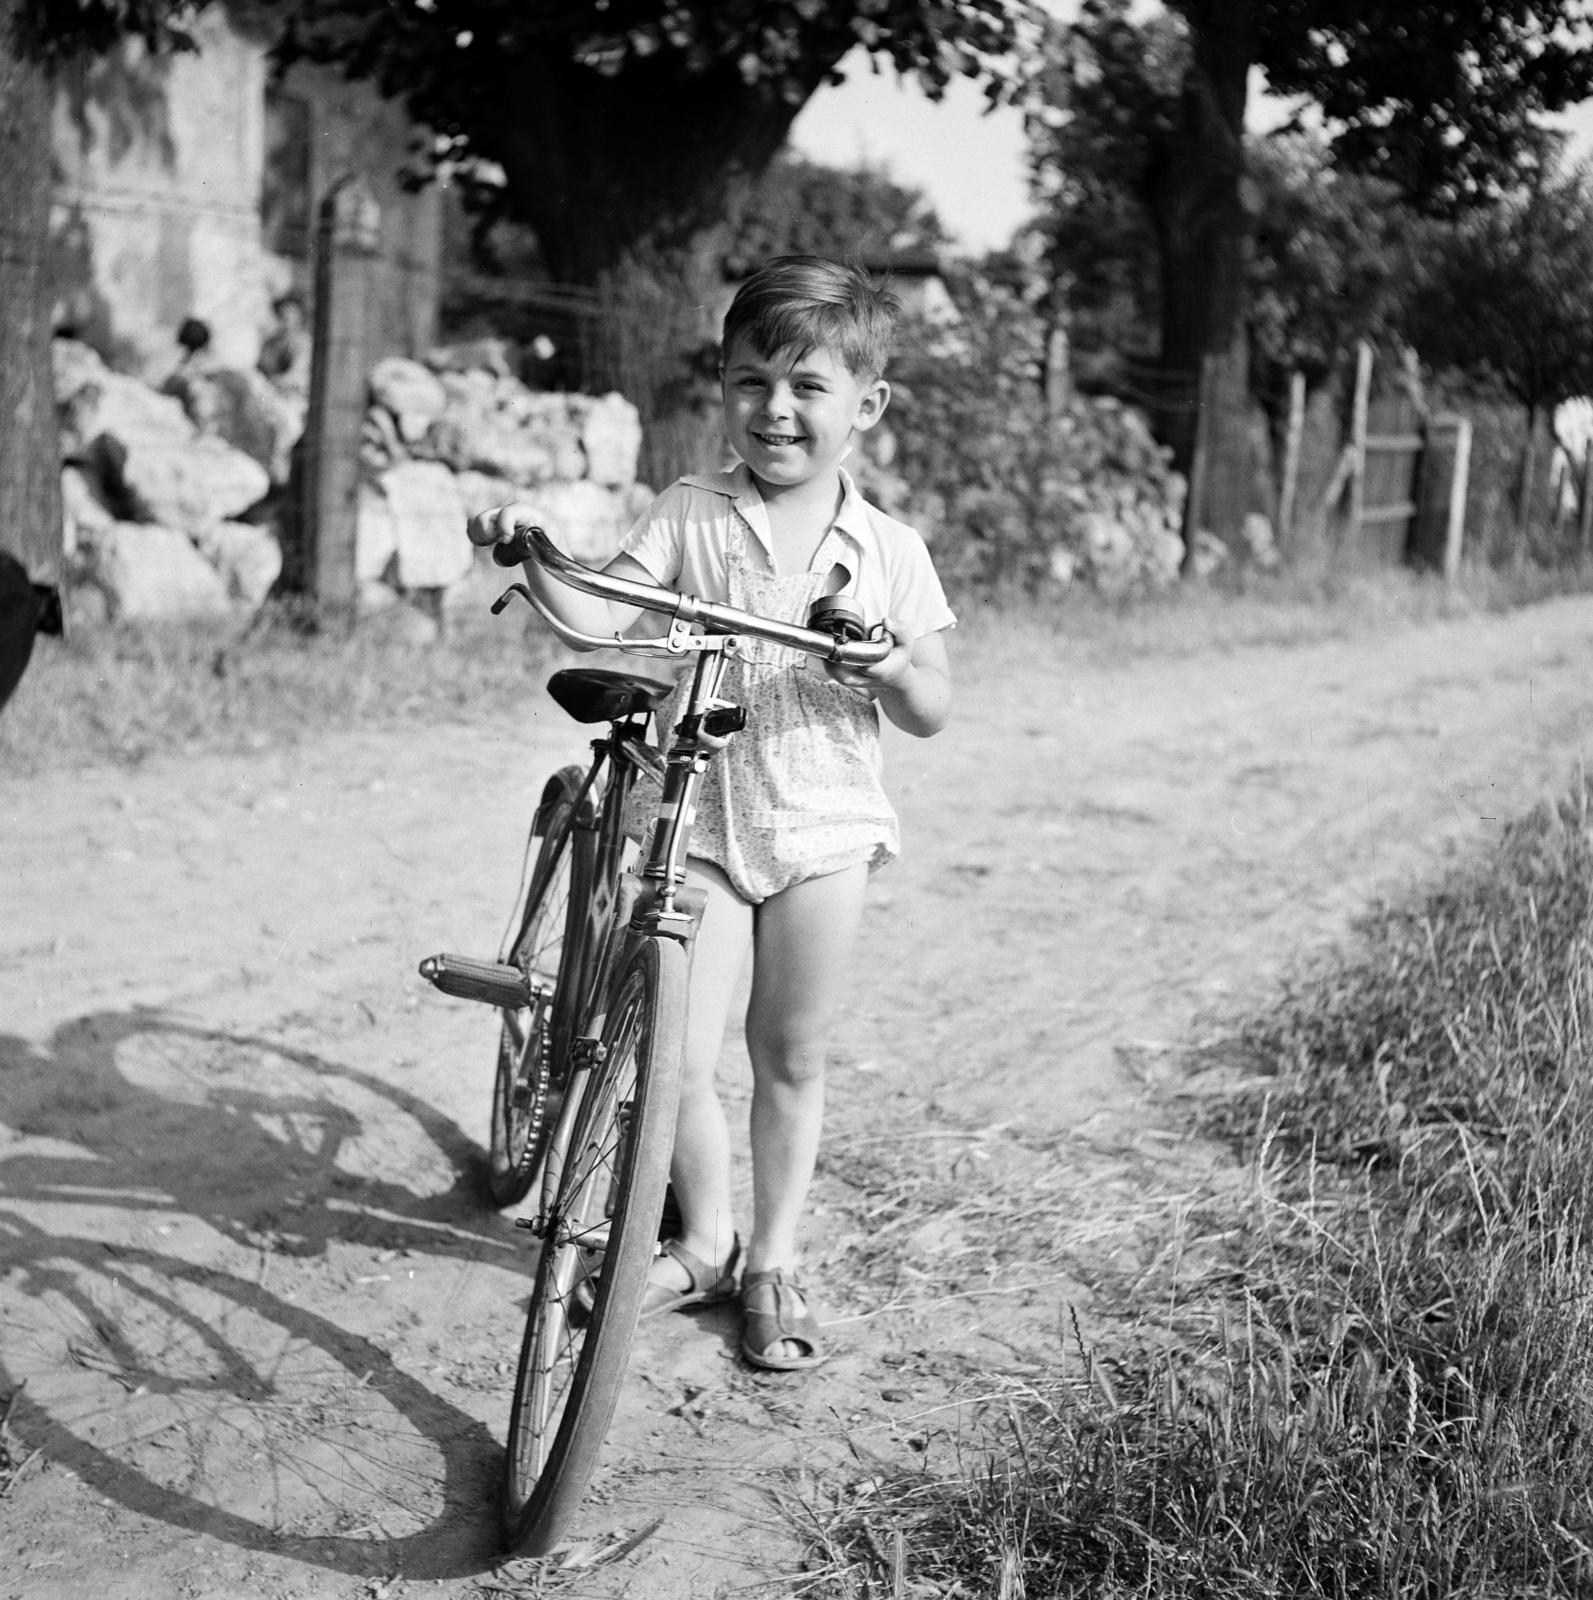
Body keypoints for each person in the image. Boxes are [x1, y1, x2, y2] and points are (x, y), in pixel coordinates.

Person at [469, 255, 954, 1371]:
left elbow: (931, 703)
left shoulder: (888, 552)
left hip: (822, 824)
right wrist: (537, 546)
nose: (773, 411)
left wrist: (881, 662)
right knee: (680, 1058)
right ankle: (708, 1233)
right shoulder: (692, 513)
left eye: (806, 388)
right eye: (749, 383)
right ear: (725, 389)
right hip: (698, 813)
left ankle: (773, 1260)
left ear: (865, 406)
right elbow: (600, 609)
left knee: (788, 1053)